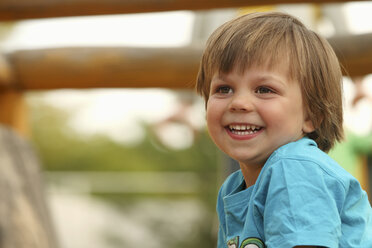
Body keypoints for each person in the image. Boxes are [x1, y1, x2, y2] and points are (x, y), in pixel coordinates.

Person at [196, 12, 372, 248]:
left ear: (312, 115)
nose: (238, 103)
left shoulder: (295, 168)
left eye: (264, 90)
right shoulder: (232, 187)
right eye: (224, 88)